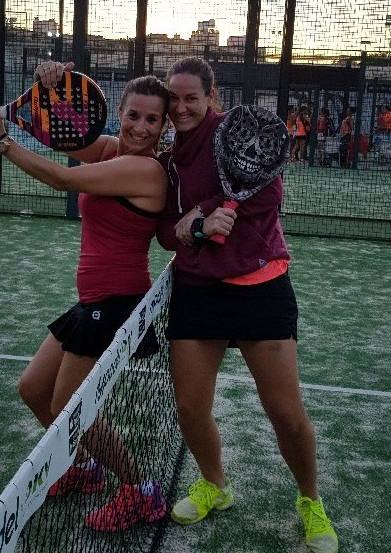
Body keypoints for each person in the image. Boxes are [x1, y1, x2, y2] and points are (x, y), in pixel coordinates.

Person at [0, 61, 170, 532]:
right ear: (118, 112)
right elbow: (63, 138)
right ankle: (83, 467)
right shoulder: (111, 149)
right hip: (92, 301)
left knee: (67, 406)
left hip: (116, 302)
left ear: (164, 126)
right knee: (33, 390)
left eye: (152, 120)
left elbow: (61, 178)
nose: (140, 127)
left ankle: (141, 491)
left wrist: (1, 141)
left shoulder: (146, 170)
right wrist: (54, 92)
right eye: (133, 115)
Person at [156, 56, 338, 553]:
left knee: (285, 412)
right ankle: (215, 484)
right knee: (190, 407)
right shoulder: (169, 159)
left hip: (261, 287)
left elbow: (267, 193)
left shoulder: (236, 133)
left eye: (191, 98)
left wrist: (205, 210)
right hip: (198, 291)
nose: (181, 107)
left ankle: (310, 500)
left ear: (211, 98)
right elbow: (167, 231)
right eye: (174, 98)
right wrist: (196, 227)